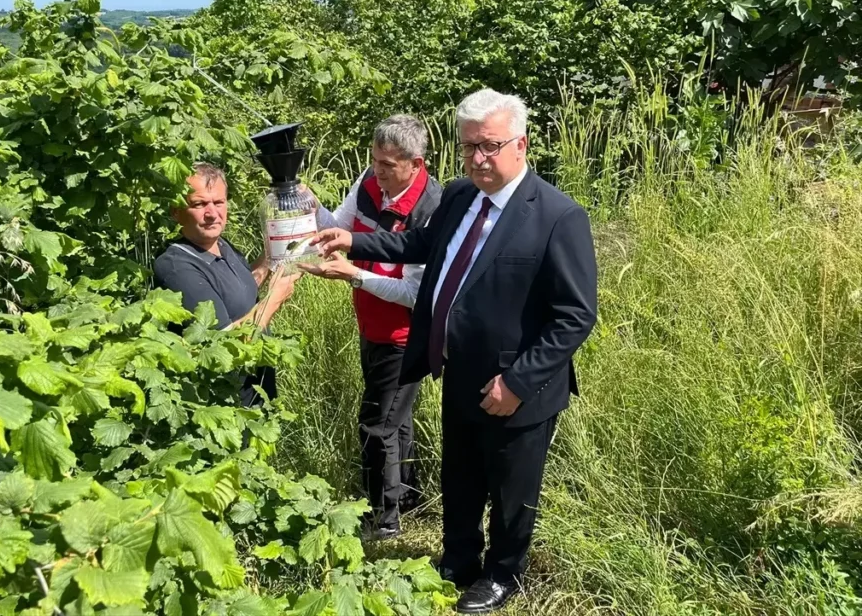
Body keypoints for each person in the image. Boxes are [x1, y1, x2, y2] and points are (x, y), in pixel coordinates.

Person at [312, 90, 597, 614]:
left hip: (519, 387)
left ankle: (503, 575)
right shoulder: (462, 196)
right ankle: (459, 560)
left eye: (490, 147)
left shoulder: (558, 216)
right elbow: (420, 246)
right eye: (469, 148)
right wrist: (354, 241)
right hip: (460, 371)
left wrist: (516, 381)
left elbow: (575, 315)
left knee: (512, 490)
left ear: (521, 144)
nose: (478, 159)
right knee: (460, 476)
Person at [300, 114, 442, 541]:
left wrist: (354, 276)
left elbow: (417, 294)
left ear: (416, 163)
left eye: (389, 164)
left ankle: (382, 516)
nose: (378, 171)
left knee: (376, 423)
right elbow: (340, 226)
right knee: (395, 419)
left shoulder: (430, 209)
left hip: (405, 335)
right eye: (375, 160)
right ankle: (409, 495)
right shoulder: (367, 182)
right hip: (370, 322)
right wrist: (308, 204)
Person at [153, 162, 298, 407]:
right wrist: (274, 298)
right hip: (226, 407)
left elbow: (236, 293)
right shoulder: (177, 267)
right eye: (199, 204)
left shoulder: (221, 245)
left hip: (257, 396)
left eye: (218, 202)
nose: (212, 213)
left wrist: (273, 256)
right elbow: (224, 344)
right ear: (176, 210)